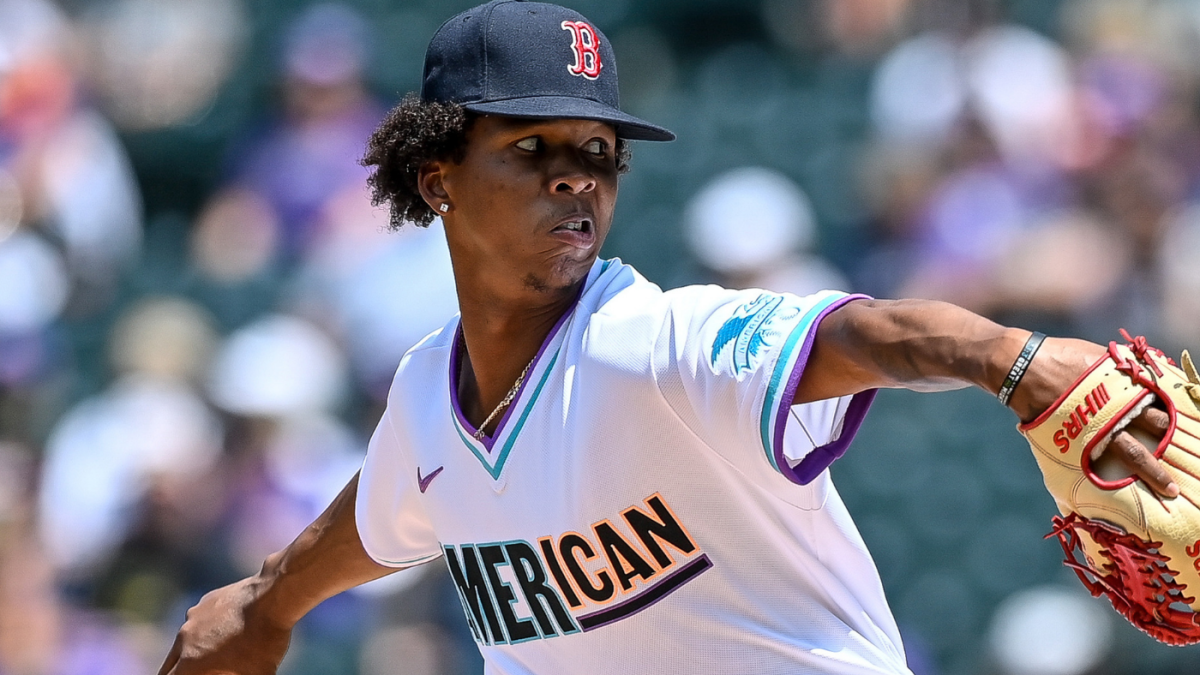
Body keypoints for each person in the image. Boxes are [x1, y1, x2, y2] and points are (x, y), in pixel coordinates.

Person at [158, 2, 1177, 674]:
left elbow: (875, 331)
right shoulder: (427, 404)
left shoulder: (653, 342)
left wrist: (1006, 359)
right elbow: (377, 519)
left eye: (597, 151)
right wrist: (265, 602)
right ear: (438, 176)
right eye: (531, 147)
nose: (577, 176)